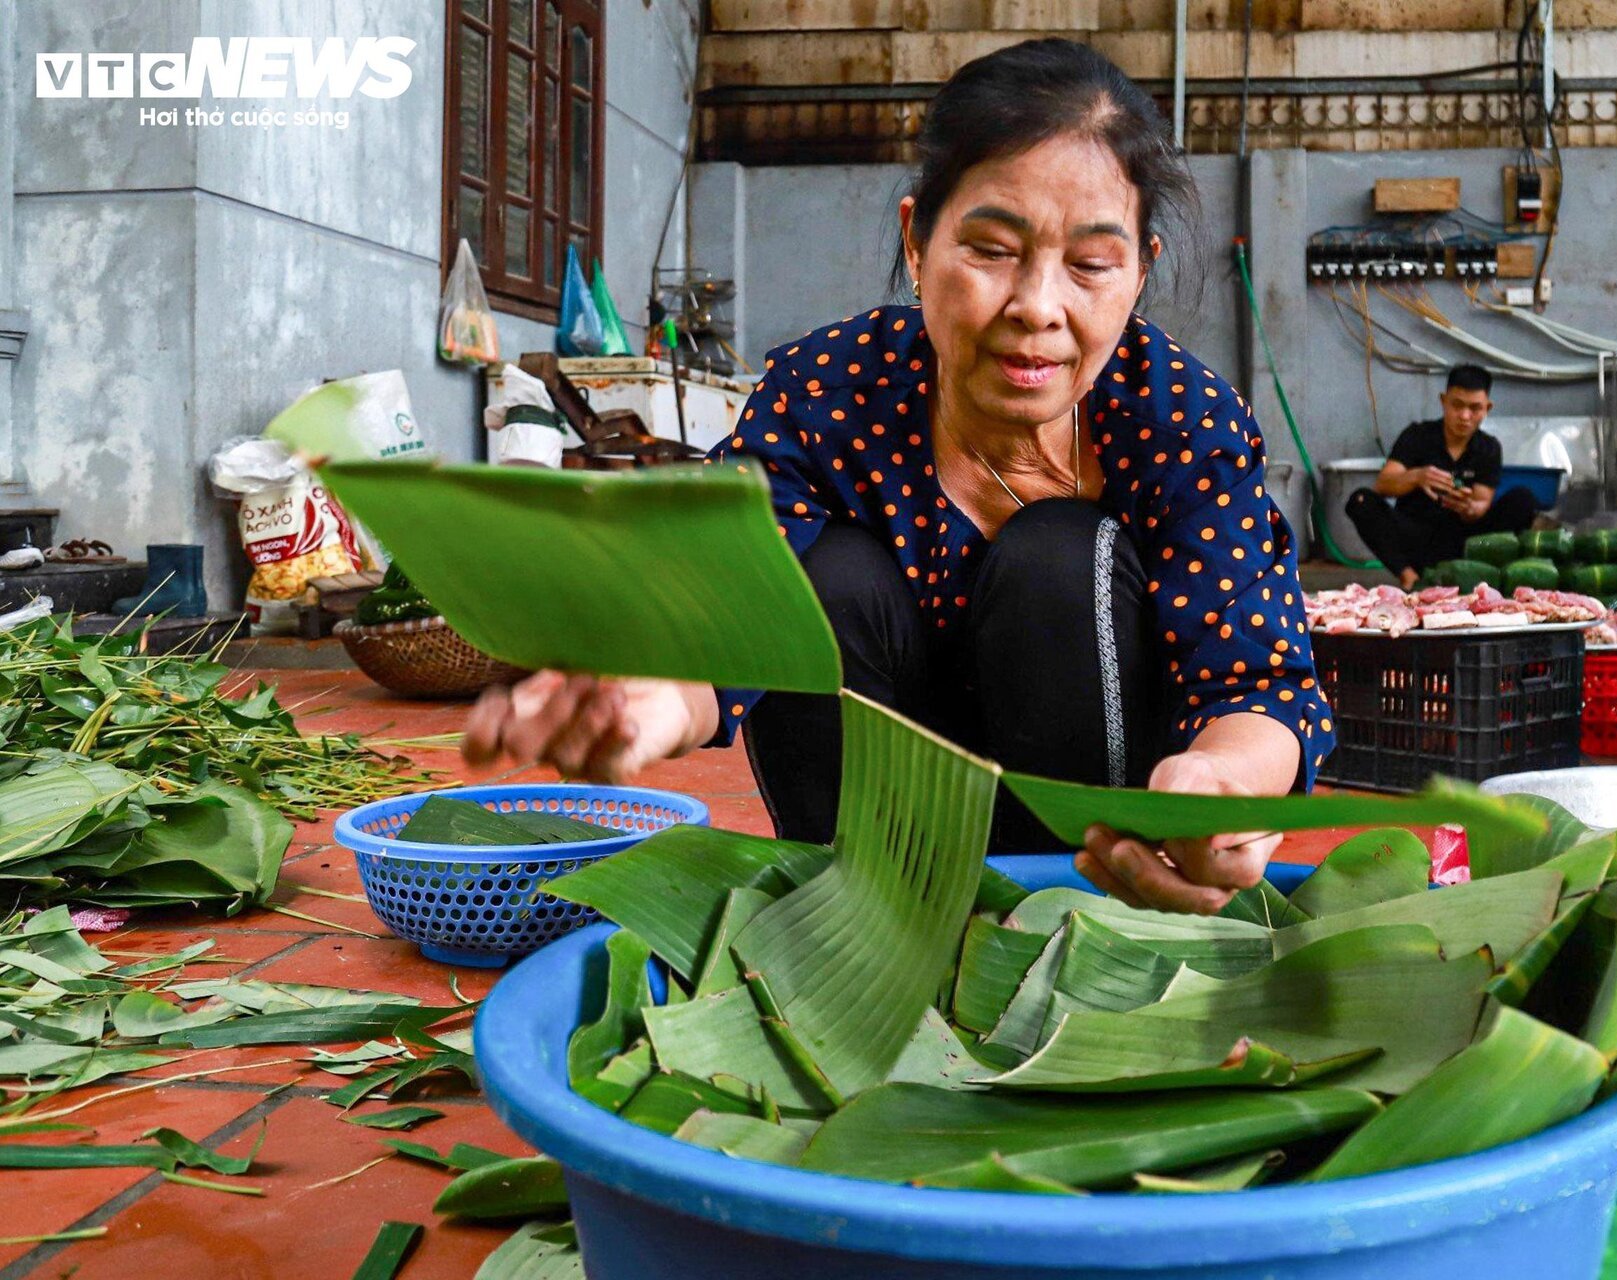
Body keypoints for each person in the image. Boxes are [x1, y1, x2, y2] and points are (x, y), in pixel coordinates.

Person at [462, 39, 1334, 916]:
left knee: (1059, 555)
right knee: (827, 575)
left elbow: (1256, 683)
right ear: (917, 242)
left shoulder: (1180, 419)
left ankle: (1061, 921)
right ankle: (856, 922)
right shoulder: (828, 392)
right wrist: (656, 694)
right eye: (992, 249)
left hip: (1097, 863)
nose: (1037, 305)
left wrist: (1220, 783)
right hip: (879, 837)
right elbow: (733, 592)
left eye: (1090, 266)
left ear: (1139, 271)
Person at [1343, 364, 1539, 590]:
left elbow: (1481, 503)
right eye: (1457, 405)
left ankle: (1483, 577)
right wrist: (1417, 476)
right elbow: (1384, 484)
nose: (1465, 416)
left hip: (1467, 544)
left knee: (1523, 500)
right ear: (1443, 401)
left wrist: (1468, 508)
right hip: (1416, 538)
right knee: (1361, 501)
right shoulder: (1417, 436)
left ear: (1487, 408)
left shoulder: (1489, 448)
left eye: (1475, 408)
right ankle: (1409, 577)